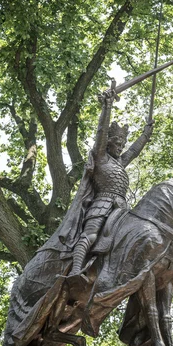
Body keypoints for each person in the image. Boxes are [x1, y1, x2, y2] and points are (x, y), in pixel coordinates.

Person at [68, 87, 154, 277]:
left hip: (121, 208)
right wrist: (108, 106)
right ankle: (75, 270)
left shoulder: (120, 162)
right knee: (90, 236)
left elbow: (133, 151)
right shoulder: (100, 157)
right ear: (108, 143)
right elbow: (101, 131)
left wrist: (145, 135)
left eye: (123, 144)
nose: (121, 147)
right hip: (101, 204)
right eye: (118, 143)